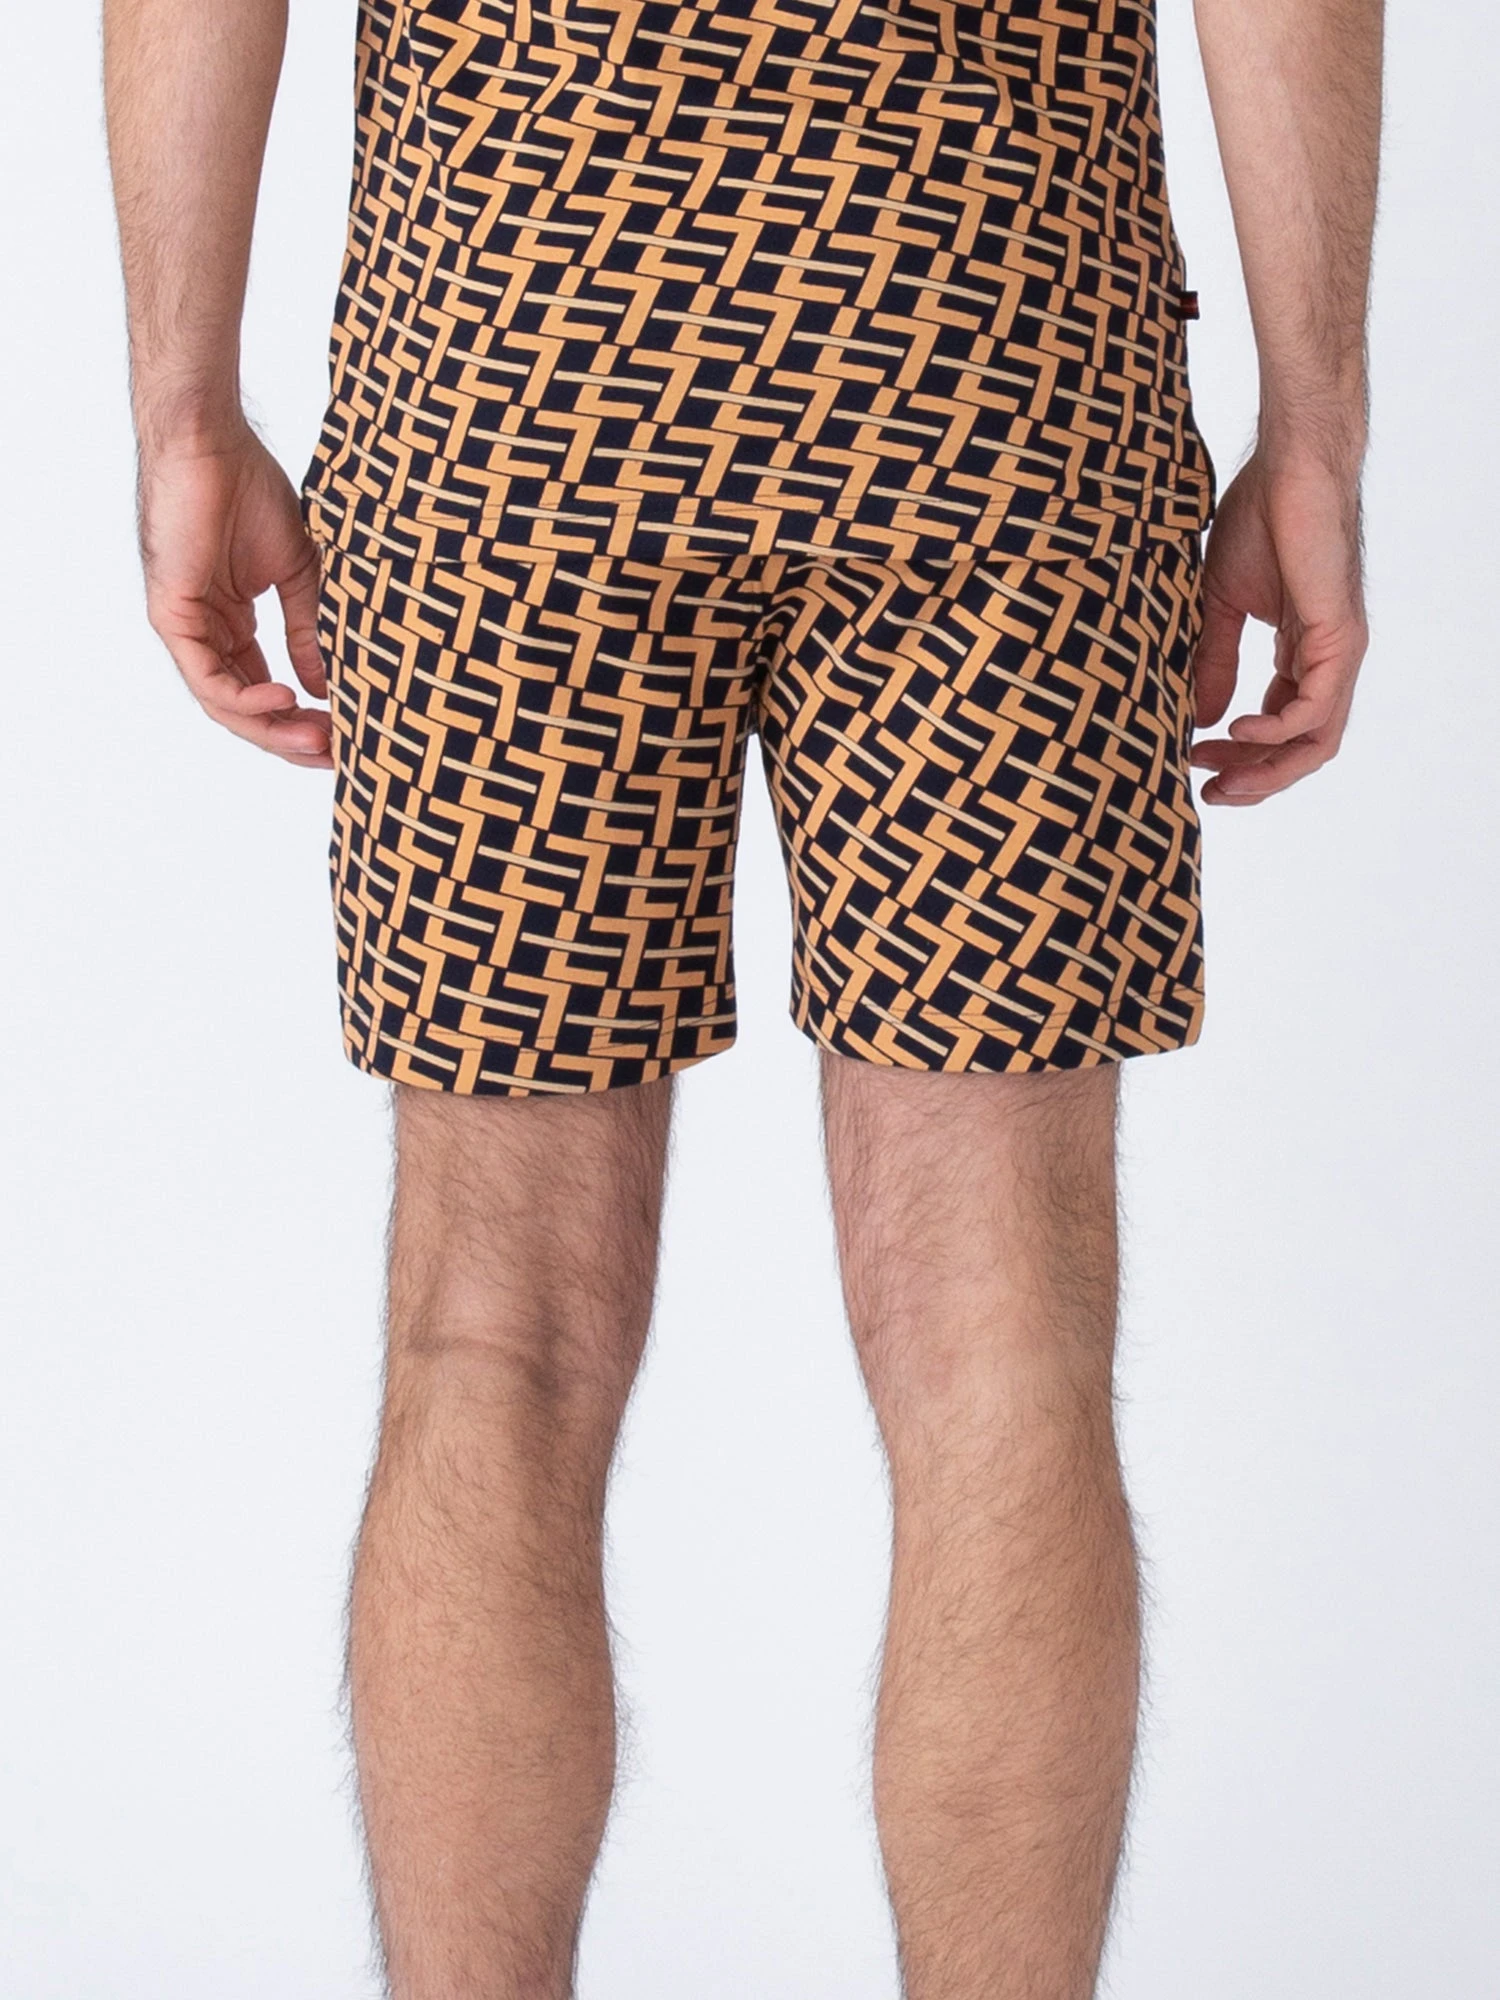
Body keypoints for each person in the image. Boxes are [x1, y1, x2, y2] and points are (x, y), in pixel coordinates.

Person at [103, 0, 1381, 1992]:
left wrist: (182, 402)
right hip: (991, 343)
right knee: (998, 1339)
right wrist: (1318, 422)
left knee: (491, 1333)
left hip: (518, 344)